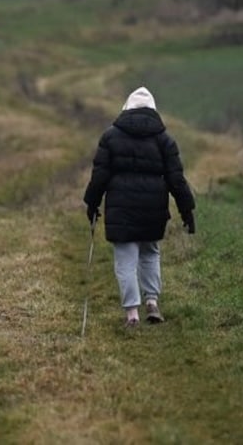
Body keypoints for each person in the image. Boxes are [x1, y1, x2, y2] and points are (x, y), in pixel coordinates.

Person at [83, 86, 195, 327]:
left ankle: (132, 314)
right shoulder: (165, 140)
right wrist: (187, 211)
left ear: (127, 108)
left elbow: (99, 176)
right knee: (149, 252)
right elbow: (177, 179)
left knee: (125, 259)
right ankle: (152, 302)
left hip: (120, 208)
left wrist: (92, 203)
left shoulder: (110, 136)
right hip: (153, 207)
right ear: (153, 110)